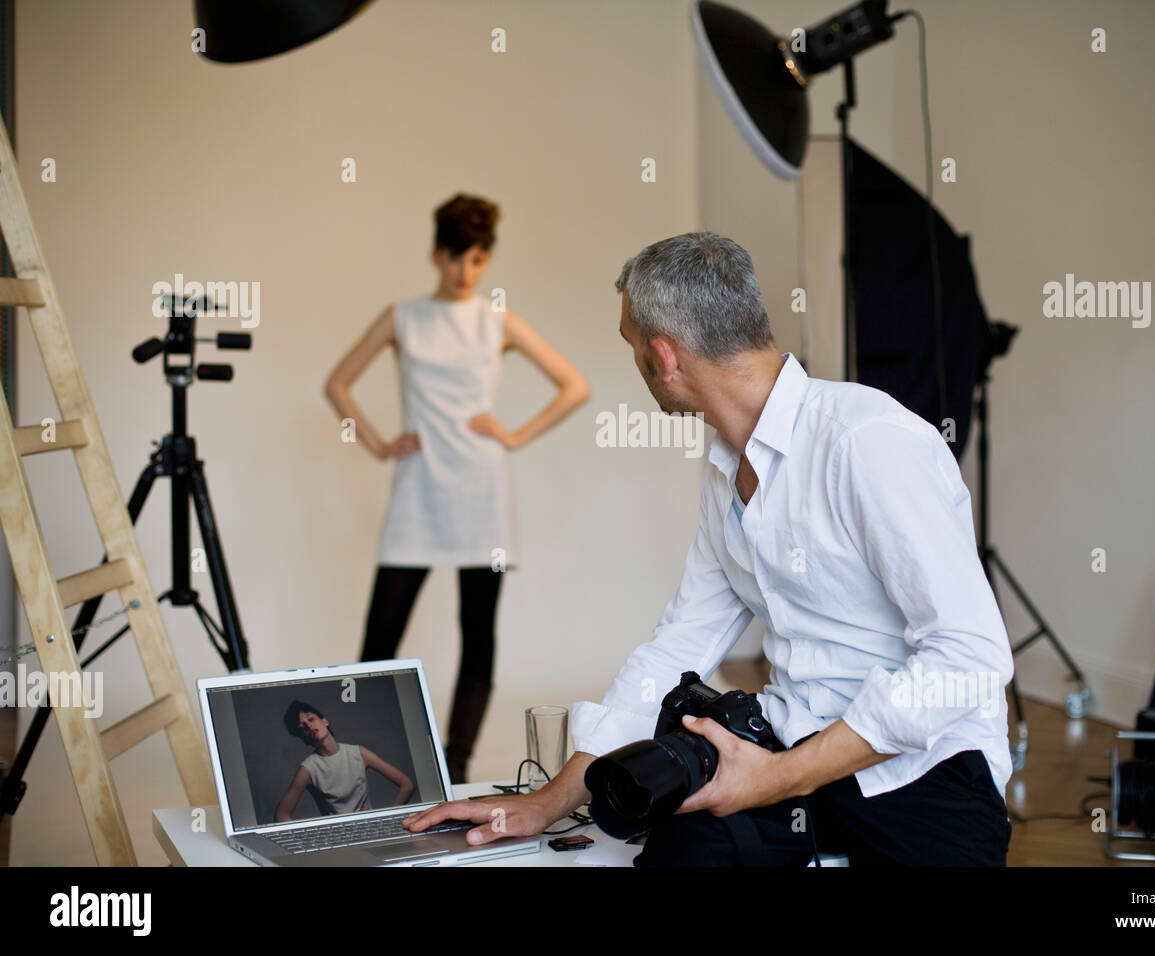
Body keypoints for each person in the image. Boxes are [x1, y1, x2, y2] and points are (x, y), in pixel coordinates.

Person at [402, 231, 1014, 866]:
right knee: (680, 853)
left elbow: (969, 658)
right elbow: (682, 644)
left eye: (631, 346)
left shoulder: (866, 440)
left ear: (663, 357)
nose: (634, 362)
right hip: (789, 745)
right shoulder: (725, 468)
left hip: (925, 769)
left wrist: (785, 777)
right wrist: (548, 801)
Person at [324, 194, 589, 783]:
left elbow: (574, 386)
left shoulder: (499, 322)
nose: (465, 273)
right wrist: (376, 442)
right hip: (418, 490)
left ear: (486, 260)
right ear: (434, 255)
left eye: (477, 261)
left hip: (481, 493)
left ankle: (454, 764)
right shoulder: (403, 317)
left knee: (477, 636)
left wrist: (515, 437)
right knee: (379, 642)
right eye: (455, 260)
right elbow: (338, 383)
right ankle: (360, 767)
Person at [274, 700, 414, 821]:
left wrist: (387, 818)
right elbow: (281, 815)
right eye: (302, 728)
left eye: (311, 719)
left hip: (370, 827)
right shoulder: (308, 769)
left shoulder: (358, 753)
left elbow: (406, 784)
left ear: (324, 721)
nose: (309, 726)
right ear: (303, 739)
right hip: (339, 838)